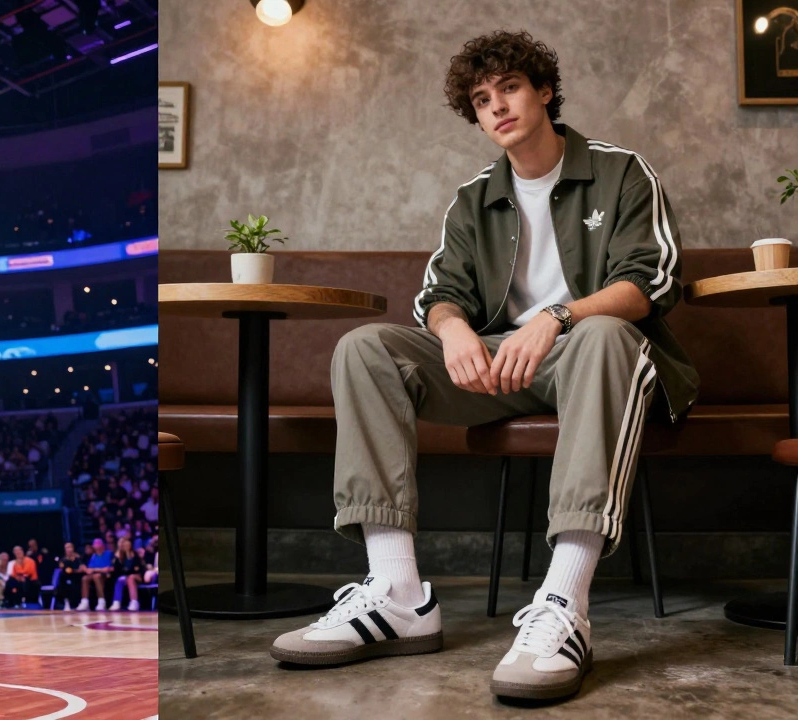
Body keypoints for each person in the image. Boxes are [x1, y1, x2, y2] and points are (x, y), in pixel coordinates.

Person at [267, 31, 698, 704]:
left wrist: (556, 318)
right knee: (365, 347)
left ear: (544, 90)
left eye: (510, 88)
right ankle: (396, 591)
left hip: (592, 355)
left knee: (607, 332)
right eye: (481, 98)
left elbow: (652, 279)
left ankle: (563, 603)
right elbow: (439, 295)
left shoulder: (620, 172)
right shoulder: (476, 198)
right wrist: (455, 330)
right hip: (500, 368)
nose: (497, 106)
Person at [77, 538, 113, 611]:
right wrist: (86, 569)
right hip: (94, 573)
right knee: (85, 578)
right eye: (95, 545)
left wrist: (95, 570)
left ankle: (101, 601)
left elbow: (108, 568)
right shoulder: (93, 556)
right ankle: (85, 602)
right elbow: (90, 568)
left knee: (97, 576)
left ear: (102, 546)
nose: (96, 547)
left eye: (98, 544)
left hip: (106, 575)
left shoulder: (108, 554)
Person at [108, 538, 143, 612]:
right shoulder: (121, 556)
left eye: (127, 544)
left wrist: (128, 554)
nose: (126, 546)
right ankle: (117, 602)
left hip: (138, 576)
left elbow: (136, 569)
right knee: (120, 579)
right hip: (127, 576)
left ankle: (134, 602)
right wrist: (118, 557)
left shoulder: (135, 554)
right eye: (124, 545)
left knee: (130, 577)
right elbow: (119, 569)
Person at [55, 542, 84, 612]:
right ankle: (67, 603)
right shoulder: (63, 560)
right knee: (63, 580)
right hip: (67, 578)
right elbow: (65, 570)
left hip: (77, 577)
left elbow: (81, 568)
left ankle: (81, 603)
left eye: (70, 547)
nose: (68, 549)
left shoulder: (78, 558)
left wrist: (75, 571)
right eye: (67, 548)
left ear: (73, 548)